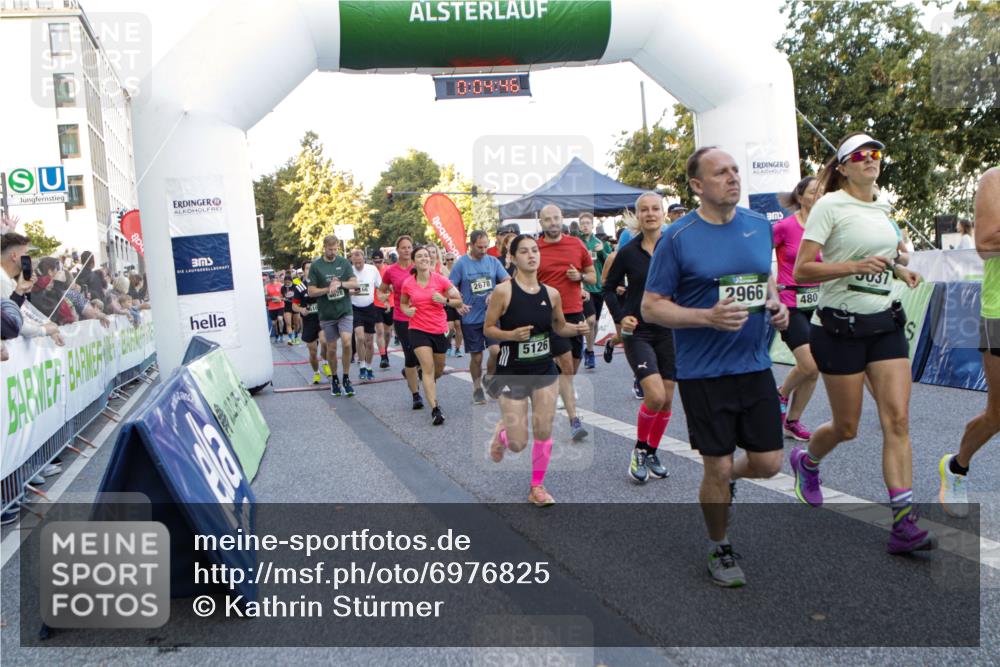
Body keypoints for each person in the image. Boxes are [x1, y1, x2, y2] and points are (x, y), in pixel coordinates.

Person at [642, 146, 789, 587]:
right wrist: (706, 317)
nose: (732, 178)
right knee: (717, 467)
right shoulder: (678, 237)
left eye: (735, 171)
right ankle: (719, 546)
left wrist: (775, 304)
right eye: (721, 172)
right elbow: (651, 307)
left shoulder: (758, 225)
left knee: (768, 463)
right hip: (704, 372)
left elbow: (764, 278)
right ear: (697, 186)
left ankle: (726, 483)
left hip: (754, 364)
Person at [790, 133, 933, 555]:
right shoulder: (830, 205)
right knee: (847, 427)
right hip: (840, 328)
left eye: (877, 153)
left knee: (897, 420)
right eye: (861, 155)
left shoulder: (884, 206)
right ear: (843, 166)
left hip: (885, 324)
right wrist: (854, 265)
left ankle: (904, 523)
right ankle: (807, 461)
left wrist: (895, 270)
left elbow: (880, 257)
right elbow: (802, 270)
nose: (871, 160)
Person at [484, 234, 591, 506]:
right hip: (513, 372)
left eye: (535, 250)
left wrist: (577, 329)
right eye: (524, 251)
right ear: (513, 257)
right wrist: (510, 335)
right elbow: (489, 329)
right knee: (518, 444)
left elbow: (558, 327)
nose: (532, 255)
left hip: (544, 370)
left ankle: (537, 487)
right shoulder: (504, 291)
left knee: (544, 430)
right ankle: (503, 434)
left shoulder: (552, 293)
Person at [939, 168, 1000, 517]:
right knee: (998, 414)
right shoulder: (994, 180)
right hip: (999, 313)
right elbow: (986, 244)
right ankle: (957, 467)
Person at [605, 193, 676, 483]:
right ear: (638, 215)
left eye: (655, 209)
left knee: (668, 400)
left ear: (663, 213)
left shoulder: (674, 247)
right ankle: (639, 450)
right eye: (644, 210)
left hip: (669, 328)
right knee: (655, 396)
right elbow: (608, 287)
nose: (650, 214)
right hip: (638, 332)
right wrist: (622, 317)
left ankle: (652, 450)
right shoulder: (628, 252)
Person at [536, 204, 596, 442]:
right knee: (566, 365)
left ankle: (559, 390)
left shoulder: (576, 244)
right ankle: (574, 420)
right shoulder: (535, 249)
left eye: (556, 218)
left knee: (573, 364)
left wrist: (580, 277)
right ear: (541, 223)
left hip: (574, 312)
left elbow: (593, 277)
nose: (552, 222)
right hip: (548, 315)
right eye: (547, 219)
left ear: (562, 219)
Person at [773, 176, 822, 442]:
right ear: (800, 197)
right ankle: (781, 393)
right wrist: (773, 292)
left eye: (822, 192)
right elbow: (758, 255)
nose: (818, 196)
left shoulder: (827, 228)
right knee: (809, 364)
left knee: (816, 367)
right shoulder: (785, 227)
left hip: (817, 304)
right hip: (789, 303)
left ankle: (792, 420)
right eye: (813, 192)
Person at [400, 246, 467, 425]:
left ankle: (424, 375)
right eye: (420, 256)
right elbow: (403, 304)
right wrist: (408, 311)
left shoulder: (441, 280)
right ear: (414, 261)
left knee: (437, 369)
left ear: (431, 260)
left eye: (426, 256)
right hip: (417, 329)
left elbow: (458, 300)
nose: (424, 258)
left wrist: (444, 300)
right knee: (428, 368)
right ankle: (435, 409)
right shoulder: (408, 283)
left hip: (438, 330)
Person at [449, 230, 510, 404]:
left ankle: (490, 379)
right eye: (480, 247)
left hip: (491, 316)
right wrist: (458, 302)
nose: (483, 250)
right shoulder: (461, 264)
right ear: (471, 245)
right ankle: (476, 388)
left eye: (485, 246)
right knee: (476, 357)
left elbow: (507, 281)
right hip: (470, 318)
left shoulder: (493, 261)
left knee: (496, 351)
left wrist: (494, 292)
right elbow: (449, 286)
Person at [308, 235, 358, 398]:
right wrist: (327, 289)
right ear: (324, 248)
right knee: (331, 347)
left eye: (335, 249)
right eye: (330, 249)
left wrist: (341, 284)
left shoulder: (343, 262)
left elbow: (354, 283)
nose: (333, 252)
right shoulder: (316, 266)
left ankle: (346, 377)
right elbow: (311, 291)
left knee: (346, 342)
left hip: (344, 310)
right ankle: (334, 378)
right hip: (327, 313)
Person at [379, 236, 425, 409]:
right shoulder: (391, 271)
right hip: (401, 317)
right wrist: (384, 298)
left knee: (424, 355)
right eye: (403, 248)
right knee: (410, 355)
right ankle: (416, 395)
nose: (406, 250)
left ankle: (411, 372)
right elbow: (381, 290)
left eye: (409, 247)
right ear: (397, 250)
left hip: (422, 316)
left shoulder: (418, 267)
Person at [0, 232, 64, 345]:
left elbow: (25, 312)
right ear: (14, 256)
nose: (29, 258)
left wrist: (49, 327)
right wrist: (44, 330)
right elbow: (14, 322)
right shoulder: (2, 280)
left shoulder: (10, 280)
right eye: (26, 253)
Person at [577, 213, 612, 370]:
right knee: (590, 320)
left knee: (596, 322)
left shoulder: (600, 243)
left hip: (599, 287)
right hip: (584, 287)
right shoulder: (577, 243)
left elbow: (610, 263)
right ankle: (590, 352)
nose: (585, 226)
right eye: (582, 223)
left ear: (592, 226)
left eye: (587, 223)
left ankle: (588, 348)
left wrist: (602, 251)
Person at [349, 248, 382, 381]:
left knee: (369, 341)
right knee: (360, 338)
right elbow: (344, 289)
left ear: (364, 259)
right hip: (355, 308)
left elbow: (380, 286)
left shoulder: (372, 270)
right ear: (352, 260)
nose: (357, 264)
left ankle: (369, 367)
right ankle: (362, 365)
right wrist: (352, 291)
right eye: (355, 262)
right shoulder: (348, 271)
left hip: (369, 307)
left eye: (359, 261)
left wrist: (384, 298)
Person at [371, 249, 392, 369]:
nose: (378, 264)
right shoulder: (371, 271)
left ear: (383, 260)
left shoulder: (388, 270)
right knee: (379, 331)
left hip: (390, 303)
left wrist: (390, 288)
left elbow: (393, 286)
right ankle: (383, 356)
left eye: (380, 261)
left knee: (387, 332)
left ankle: (385, 351)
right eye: (375, 262)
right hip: (375, 304)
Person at [281, 274, 301, 345]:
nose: (287, 283)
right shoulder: (282, 288)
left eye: (288, 282)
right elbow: (281, 296)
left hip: (295, 306)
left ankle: (296, 337)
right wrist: (282, 298)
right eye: (285, 282)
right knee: (288, 323)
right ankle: (290, 339)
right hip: (287, 307)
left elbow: (300, 295)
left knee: (296, 323)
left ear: (291, 281)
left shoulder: (296, 286)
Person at [265, 273, 285, 342]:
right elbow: (266, 297)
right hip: (272, 307)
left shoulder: (280, 285)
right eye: (271, 278)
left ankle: (281, 334)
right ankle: (276, 335)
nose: (272, 279)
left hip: (280, 305)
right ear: (269, 278)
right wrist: (272, 298)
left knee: (280, 319)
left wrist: (280, 298)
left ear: (275, 278)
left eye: (273, 278)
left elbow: (284, 295)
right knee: (274, 323)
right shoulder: (267, 286)